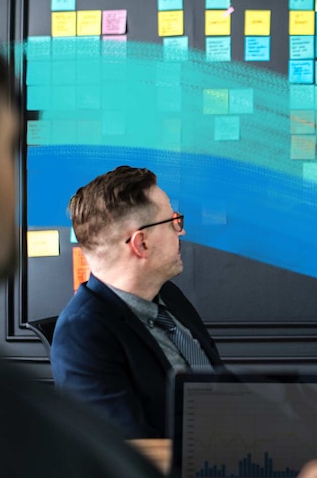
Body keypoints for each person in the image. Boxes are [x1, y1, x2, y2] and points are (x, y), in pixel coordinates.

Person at [0, 51, 164, 476]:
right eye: (6, 147)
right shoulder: (82, 337)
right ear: (140, 243)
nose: (11, 184)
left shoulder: (171, 302)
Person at [51, 166, 224, 438]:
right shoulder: (82, 336)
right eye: (173, 222)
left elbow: (220, 386)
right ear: (140, 243)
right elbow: (129, 456)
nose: (182, 231)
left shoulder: (169, 296)